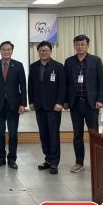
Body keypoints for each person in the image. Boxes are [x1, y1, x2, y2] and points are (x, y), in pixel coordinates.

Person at [64, 34, 103, 173]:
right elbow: (66, 83)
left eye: (82, 44)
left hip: (91, 104)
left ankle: (98, 161)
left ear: (87, 45)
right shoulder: (69, 62)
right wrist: (65, 101)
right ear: (74, 46)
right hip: (75, 104)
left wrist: (101, 99)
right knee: (77, 135)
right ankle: (79, 162)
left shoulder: (95, 60)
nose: (80, 47)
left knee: (94, 134)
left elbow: (102, 81)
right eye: (77, 44)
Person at [28, 41, 66, 175]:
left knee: (53, 135)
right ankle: (48, 159)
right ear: (38, 52)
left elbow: (63, 86)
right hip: (39, 106)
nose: (43, 52)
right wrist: (31, 101)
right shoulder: (33, 67)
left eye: (46, 50)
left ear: (50, 51)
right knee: (43, 134)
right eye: (41, 50)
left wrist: (60, 102)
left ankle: (54, 162)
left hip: (53, 107)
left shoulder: (58, 66)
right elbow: (30, 86)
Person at [0, 41, 27, 169]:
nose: (6, 51)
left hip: (14, 105)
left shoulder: (18, 65)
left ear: (12, 51)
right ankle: (0, 158)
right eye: (4, 49)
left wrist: (23, 103)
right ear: (0, 51)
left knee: (13, 134)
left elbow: (23, 86)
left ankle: (12, 159)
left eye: (8, 49)